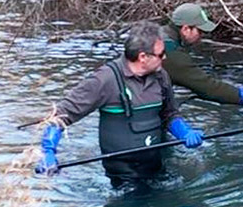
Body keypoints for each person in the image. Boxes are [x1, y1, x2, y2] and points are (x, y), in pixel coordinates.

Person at [35, 21, 204, 187]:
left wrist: (185, 132)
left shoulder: (161, 77)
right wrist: (48, 152)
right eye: (161, 54)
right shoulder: (105, 80)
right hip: (123, 175)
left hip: (155, 167)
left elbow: (169, 114)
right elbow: (60, 115)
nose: (165, 57)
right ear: (143, 57)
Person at [160, 3, 243, 112]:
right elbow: (205, 86)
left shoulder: (160, 33)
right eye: (200, 31)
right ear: (186, 29)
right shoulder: (169, 50)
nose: (201, 36)